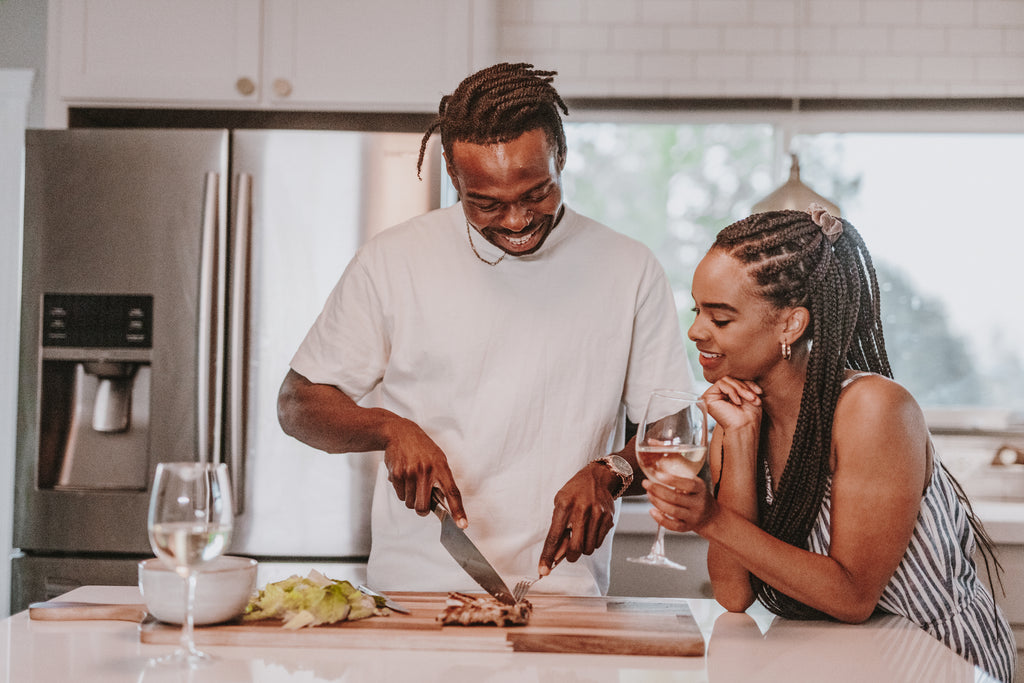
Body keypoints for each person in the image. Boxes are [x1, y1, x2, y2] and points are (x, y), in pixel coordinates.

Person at [277, 62, 693, 596]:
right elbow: (297, 405)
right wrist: (389, 428)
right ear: (453, 177)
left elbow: (674, 438)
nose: (516, 221)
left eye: (537, 194)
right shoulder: (395, 259)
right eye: (486, 204)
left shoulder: (628, 268)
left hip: (562, 594)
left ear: (560, 158)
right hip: (416, 597)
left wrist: (612, 472)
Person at [642, 205, 1016, 681]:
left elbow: (853, 597)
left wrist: (711, 518)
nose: (695, 331)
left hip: (936, 659)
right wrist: (737, 443)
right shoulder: (737, 414)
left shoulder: (874, 410)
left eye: (720, 318)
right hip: (834, 660)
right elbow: (734, 594)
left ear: (790, 325)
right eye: (698, 311)